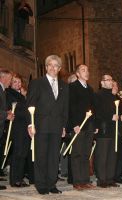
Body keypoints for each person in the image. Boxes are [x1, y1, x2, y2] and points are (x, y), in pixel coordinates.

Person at [27, 55, 69, 195]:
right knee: (41, 156)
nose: (52, 68)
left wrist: (64, 126)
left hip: (57, 126)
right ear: (46, 67)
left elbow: (65, 108)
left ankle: (51, 183)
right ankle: (41, 184)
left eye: (55, 65)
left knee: (53, 157)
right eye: (50, 65)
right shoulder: (37, 83)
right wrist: (30, 124)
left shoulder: (64, 86)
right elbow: (30, 105)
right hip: (41, 125)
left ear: (59, 68)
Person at [67, 64, 97, 190]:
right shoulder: (72, 87)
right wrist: (74, 124)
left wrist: (95, 125)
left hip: (89, 125)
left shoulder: (90, 89)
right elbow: (70, 107)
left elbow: (93, 108)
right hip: (78, 125)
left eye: (87, 70)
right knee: (77, 154)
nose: (86, 72)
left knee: (86, 154)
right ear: (77, 74)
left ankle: (85, 180)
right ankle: (77, 181)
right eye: (83, 70)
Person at [94, 75, 122, 188]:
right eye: (108, 80)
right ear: (102, 83)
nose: (111, 81)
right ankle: (102, 179)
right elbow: (97, 111)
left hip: (113, 129)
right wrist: (110, 117)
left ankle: (110, 178)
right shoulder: (98, 95)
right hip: (104, 129)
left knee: (112, 155)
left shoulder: (113, 96)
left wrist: (119, 116)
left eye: (112, 79)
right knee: (102, 155)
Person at [6, 73, 30, 187]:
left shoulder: (21, 95)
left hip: (24, 126)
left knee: (23, 153)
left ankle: (19, 178)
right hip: (17, 126)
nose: (18, 84)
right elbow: (15, 109)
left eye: (19, 82)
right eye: (15, 82)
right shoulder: (9, 93)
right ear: (10, 83)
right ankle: (15, 179)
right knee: (18, 153)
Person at [0, 69, 14, 190]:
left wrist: (6, 112)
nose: (10, 81)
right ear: (3, 78)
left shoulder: (3, 90)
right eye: (10, 79)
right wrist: (6, 115)